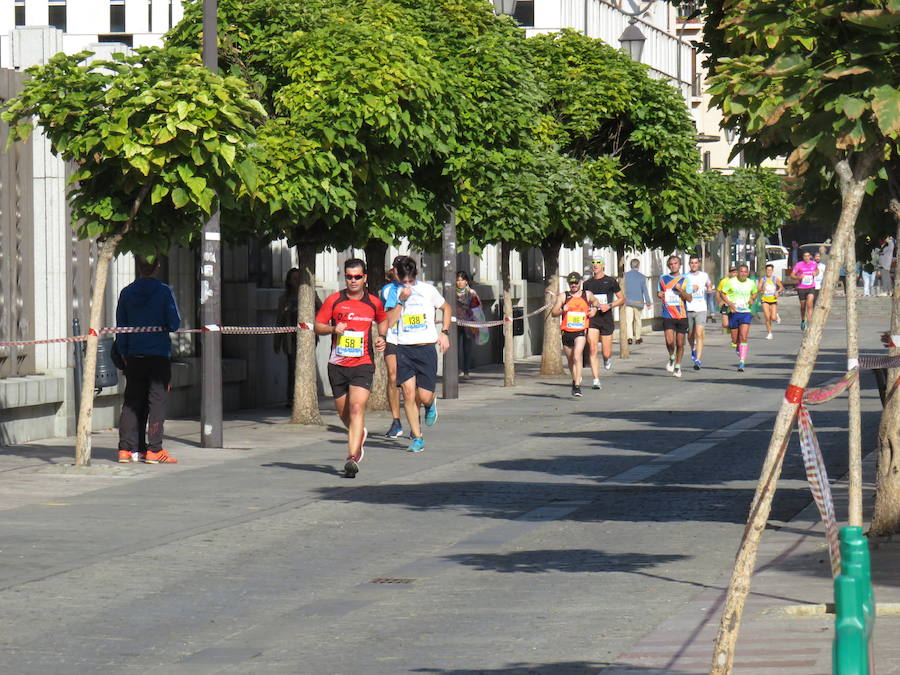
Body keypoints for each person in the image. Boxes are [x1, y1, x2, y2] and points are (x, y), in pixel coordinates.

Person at [315, 258, 388, 478]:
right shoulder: (334, 300)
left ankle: (352, 457)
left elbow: (383, 320)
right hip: (337, 365)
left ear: (364, 278)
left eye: (357, 276)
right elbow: (317, 326)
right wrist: (332, 328)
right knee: (345, 414)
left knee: (357, 408)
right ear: (344, 277)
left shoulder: (373, 302)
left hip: (363, 364)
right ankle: (359, 433)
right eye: (349, 276)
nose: (353, 280)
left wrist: (382, 337)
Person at [115, 258, 181, 464]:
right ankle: (154, 449)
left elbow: (121, 329)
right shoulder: (164, 292)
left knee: (132, 402)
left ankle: (126, 449)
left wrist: (125, 354)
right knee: (157, 401)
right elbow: (174, 323)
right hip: (158, 355)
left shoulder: (126, 293)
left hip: (134, 356)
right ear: (157, 267)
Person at [383, 256, 451, 453]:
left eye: (410, 281)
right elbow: (389, 322)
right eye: (403, 281)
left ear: (415, 276)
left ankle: (431, 404)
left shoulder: (428, 290)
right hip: (404, 348)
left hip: (426, 347)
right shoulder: (394, 293)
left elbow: (446, 308)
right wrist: (401, 301)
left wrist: (444, 333)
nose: (407, 285)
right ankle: (417, 437)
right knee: (408, 393)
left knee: (424, 395)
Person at [551, 272, 600, 396]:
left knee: (577, 356)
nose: (573, 285)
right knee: (571, 360)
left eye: (576, 282)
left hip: (580, 331)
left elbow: (596, 302)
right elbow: (554, 312)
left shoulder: (586, 295)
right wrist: (563, 310)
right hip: (566, 331)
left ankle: (577, 386)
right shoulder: (564, 296)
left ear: (580, 282)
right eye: (571, 283)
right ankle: (575, 380)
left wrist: (594, 309)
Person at [583, 258, 624, 388]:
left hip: (606, 318)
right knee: (593, 349)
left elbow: (622, 299)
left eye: (598, 263)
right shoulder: (587, 283)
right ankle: (596, 380)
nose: (595, 266)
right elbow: (583, 300)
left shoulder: (611, 281)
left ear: (603, 266)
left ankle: (607, 358)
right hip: (593, 319)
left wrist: (610, 305)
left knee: (606, 352)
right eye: (593, 263)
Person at [380, 263, 404, 438]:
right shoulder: (388, 290)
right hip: (393, 337)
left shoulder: (420, 289)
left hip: (414, 338)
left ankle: (414, 416)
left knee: (413, 383)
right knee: (393, 376)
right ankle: (396, 421)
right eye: (397, 268)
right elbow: (388, 318)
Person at [658, 256, 692, 378]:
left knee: (680, 343)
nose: (673, 266)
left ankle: (677, 366)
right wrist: (659, 294)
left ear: (680, 265)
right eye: (671, 264)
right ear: (668, 266)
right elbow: (659, 292)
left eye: (675, 263)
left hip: (681, 315)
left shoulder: (685, 280)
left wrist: (681, 291)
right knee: (669, 341)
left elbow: (689, 298)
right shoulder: (663, 279)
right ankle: (672, 356)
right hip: (667, 314)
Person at [721, 264, 758, 372]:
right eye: (741, 272)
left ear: (748, 273)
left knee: (743, 337)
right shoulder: (731, 282)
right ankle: (738, 348)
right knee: (734, 339)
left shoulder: (751, 283)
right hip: (734, 312)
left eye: (745, 272)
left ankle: (742, 361)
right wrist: (729, 303)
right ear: (738, 272)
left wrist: (752, 298)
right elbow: (723, 293)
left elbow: (755, 293)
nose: (743, 274)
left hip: (745, 312)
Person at [274, 268, 300, 406]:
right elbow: (279, 320)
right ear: (289, 281)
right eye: (294, 279)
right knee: (292, 368)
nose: (296, 282)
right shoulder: (284, 299)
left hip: (306, 338)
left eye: (298, 278)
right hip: (290, 338)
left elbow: (320, 308)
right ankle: (291, 399)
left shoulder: (308, 295)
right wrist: (277, 342)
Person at [685, 255, 713, 370]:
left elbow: (708, 284)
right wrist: (691, 288)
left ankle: (698, 360)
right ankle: (693, 349)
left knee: (699, 334)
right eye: (692, 263)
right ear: (689, 264)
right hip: (689, 308)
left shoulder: (704, 275)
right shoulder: (685, 277)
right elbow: (682, 290)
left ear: (699, 264)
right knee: (690, 336)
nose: (694, 265)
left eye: (696, 263)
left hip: (701, 308)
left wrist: (709, 288)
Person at [454, 271, 482, 379]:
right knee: (455, 348)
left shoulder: (471, 293)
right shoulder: (452, 292)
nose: (460, 282)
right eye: (458, 280)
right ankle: (457, 369)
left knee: (467, 347)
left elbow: (477, 307)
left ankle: (466, 371)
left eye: (462, 280)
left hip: (468, 323)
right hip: (455, 323)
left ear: (466, 281)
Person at [623, 258, 652, 345]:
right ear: (638, 266)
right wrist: (648, 302)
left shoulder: (625, 276)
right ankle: (638, 337)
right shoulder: (642, 277)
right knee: (638, 320)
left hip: (628, 301)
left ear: (630, 265)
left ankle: (629, 338)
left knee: (629, 320)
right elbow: (645, 291)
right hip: (638, 302)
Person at [791, 250, 818, 330]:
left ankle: (810, 322)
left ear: (810, 256)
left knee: (809, 304)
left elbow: (817, 270)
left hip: (811, 287)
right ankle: (803, 320)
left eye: (808, 256)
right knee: (803, 306)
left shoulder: (813, 263)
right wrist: (798, 277)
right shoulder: (799, 265)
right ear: (803, 257)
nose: (806, 258)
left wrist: (816, 273)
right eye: (805, 256)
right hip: (801, 288)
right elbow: (792, 275)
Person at [757, 263, 784, 339]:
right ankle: (769, 333)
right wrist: (763, 288)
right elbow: (758, 288)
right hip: (765, 299)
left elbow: (781, 287)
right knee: (767, 316)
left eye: (770, 270)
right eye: (767, 270)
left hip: (773, 299)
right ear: (765, 271)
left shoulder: (775, 279)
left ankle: (776, 315)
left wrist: (777, 292)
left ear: (772, 271)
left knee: (773, 318)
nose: (769, 272)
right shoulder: (763, 279)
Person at [716, 266, 738, 336]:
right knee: (725, 324)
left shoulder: (739, 281)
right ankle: (729, 327)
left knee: (734, 323)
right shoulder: (724, 281)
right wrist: (719, 301)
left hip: (734, 304)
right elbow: (718, 291)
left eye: (736, 272)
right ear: (729, 273)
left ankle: (734, 334)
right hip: (725, 303)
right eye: (733, 272)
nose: (734, 274)